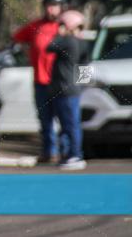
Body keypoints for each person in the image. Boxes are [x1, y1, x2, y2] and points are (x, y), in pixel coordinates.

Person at [12, 0, 65, 164]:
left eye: (55, 6)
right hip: (40, 81)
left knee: (64, 118)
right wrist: (28, 52)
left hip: (60, 82)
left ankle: (65, 151)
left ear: (61, 7)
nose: (52, 9)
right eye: (49, 5)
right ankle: (48, 151)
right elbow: (17, 38)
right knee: (45, 119)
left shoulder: (64, 27)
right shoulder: (35, 26)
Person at [47, 10, 88, 170]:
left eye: (62, 24)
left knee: (70, 124)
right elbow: (86, 66)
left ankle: (75, 155)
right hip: (73, 90)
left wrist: (61, 33)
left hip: (65, 90)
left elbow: (49, 46)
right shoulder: (83, 43)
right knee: (69, 124)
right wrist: (81, 86)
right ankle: (69, 154)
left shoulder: (67, 41)